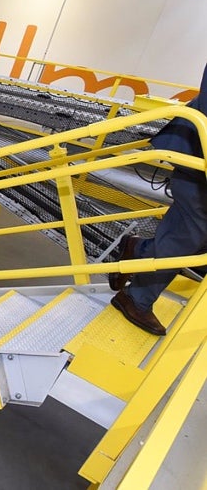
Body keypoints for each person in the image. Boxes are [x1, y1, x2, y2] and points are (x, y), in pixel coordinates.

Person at [109, 63, 207, 336]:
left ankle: (138, 250)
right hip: (200, 150)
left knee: (192, 233)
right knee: (190, 233)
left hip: (198, 150)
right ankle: (135, 298)